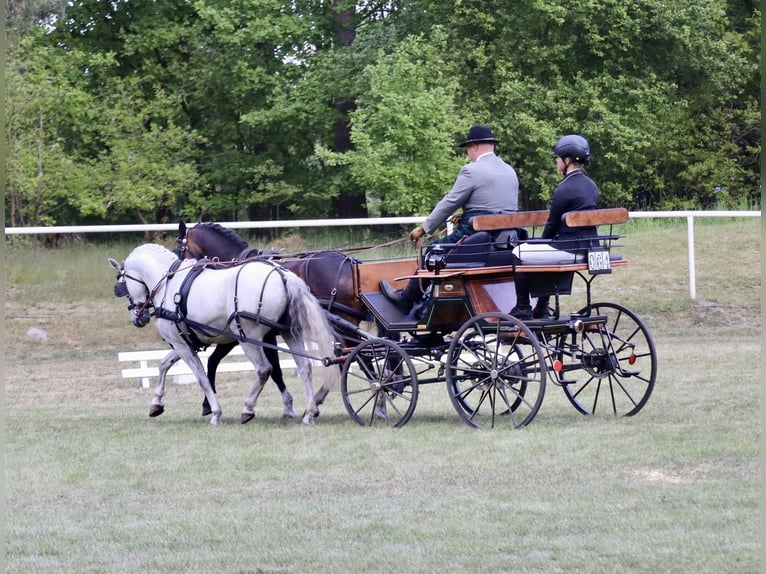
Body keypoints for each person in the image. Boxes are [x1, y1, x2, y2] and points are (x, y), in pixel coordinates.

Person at [380, 124, 519, 314]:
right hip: (506, 242)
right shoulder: (510, 171)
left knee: (432, 251)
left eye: (468, 149)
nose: (468, 154)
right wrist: (467, 214)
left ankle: (407, 299)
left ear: (474, 146)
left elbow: (450, 202)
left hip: (478, 240)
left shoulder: (471, 170)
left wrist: (424, 228)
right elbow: (498, 208)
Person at [510, 134, 600, 320]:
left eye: (558, 159)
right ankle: (542, 307)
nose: (556, 162)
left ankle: (524, 307)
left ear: (567, 160)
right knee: (538, 253)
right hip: (589, 247)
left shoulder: (564, 189)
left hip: (570, 248)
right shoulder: (592, 186)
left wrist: (542, 241)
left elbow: (551, 226)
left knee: (519, 253)